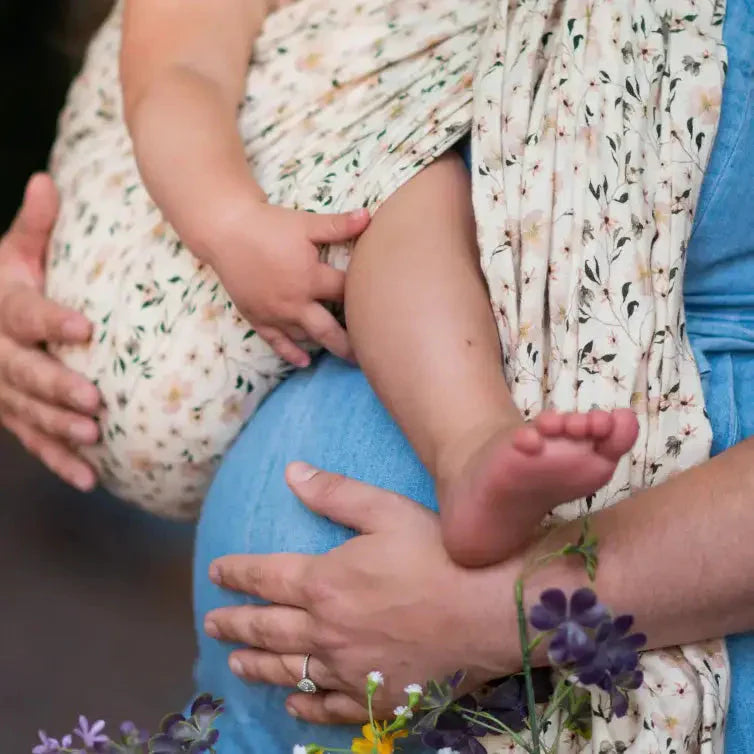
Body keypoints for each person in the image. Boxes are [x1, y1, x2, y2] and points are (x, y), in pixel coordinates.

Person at [46, 0, 639, 567]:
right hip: (193, 230)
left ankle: (480, 462)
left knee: (412, 190)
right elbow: (179, 78)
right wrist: (231, 225)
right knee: (409, 188)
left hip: (243, 265)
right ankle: (467, 444)